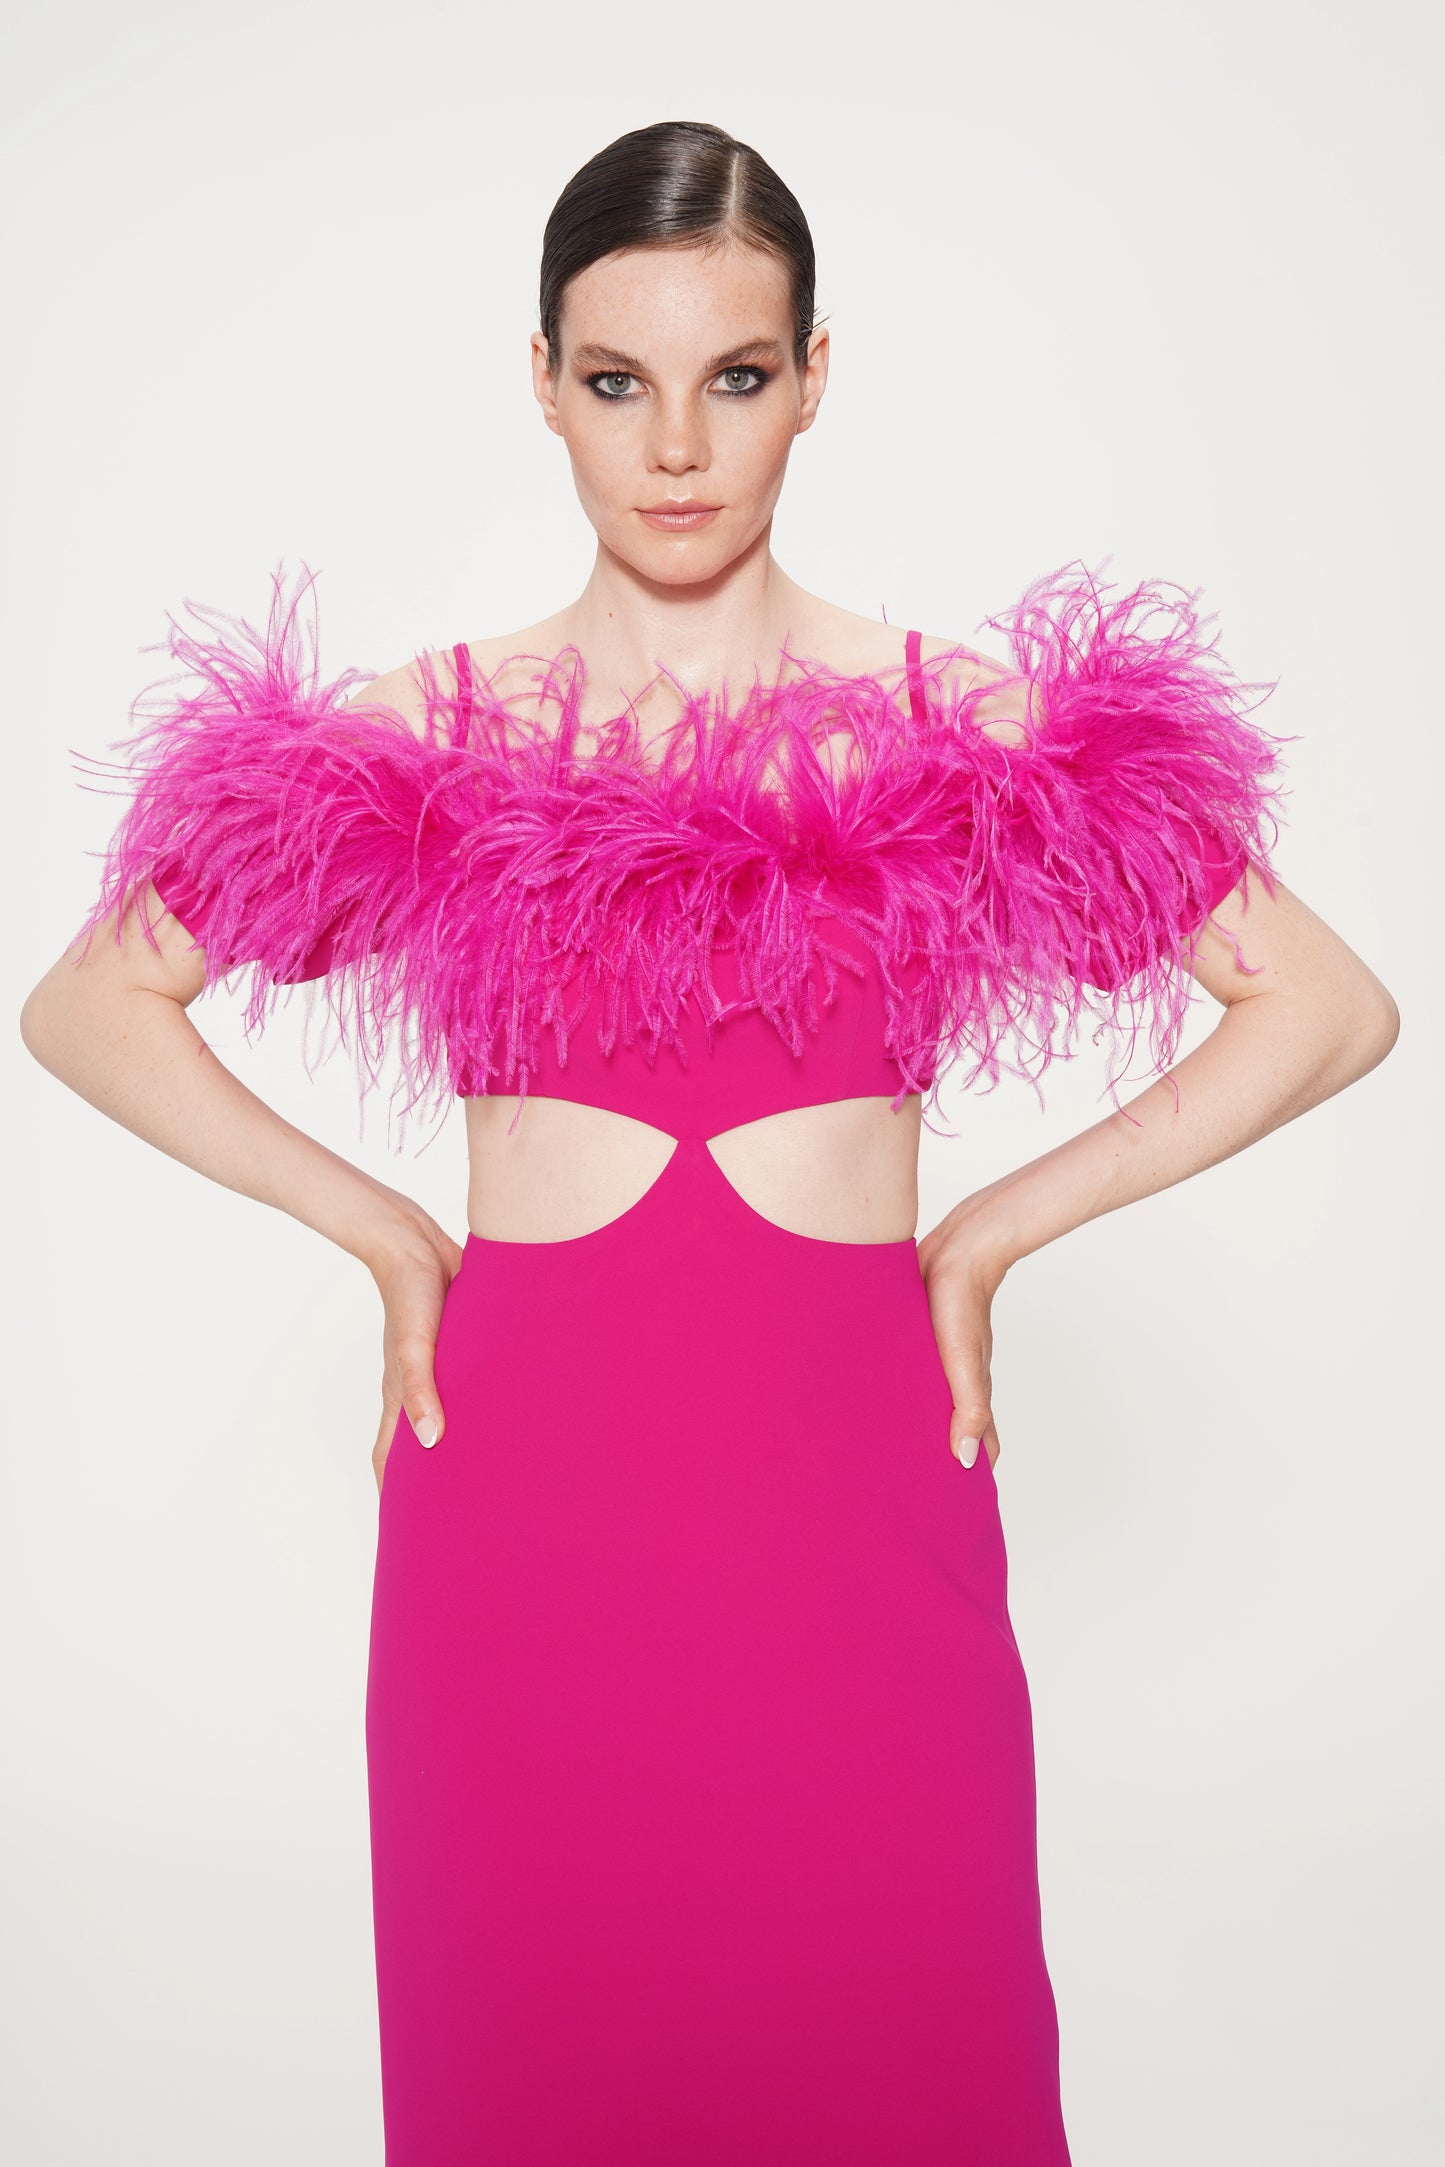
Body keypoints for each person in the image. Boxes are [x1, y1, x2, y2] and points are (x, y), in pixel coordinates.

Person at [21, 118, 1399, 2167]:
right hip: (522, 1547)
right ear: (543, 382)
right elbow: (86, 1006)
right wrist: (384, 1233)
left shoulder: (946, 719)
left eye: (734, 377)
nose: (675, 447)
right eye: (617, 381)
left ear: (813, 377)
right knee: (539, 2083)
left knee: (912, 2068)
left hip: (857, 1529)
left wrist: (989, 1233)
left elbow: (1327, 1004)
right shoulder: (438, 729)